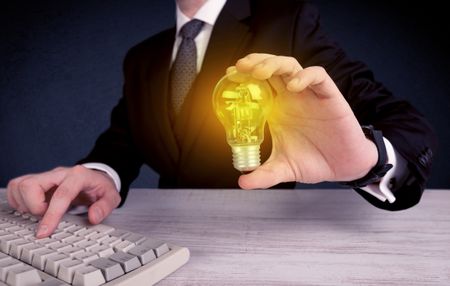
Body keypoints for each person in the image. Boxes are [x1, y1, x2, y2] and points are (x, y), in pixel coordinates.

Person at [6, 0, 437, 238]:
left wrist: (369, 161)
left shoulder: (286, 23)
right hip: (162, 240)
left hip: (266, 242)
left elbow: (404, 122)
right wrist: (101, 172)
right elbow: (124, 141)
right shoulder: (142, 57)